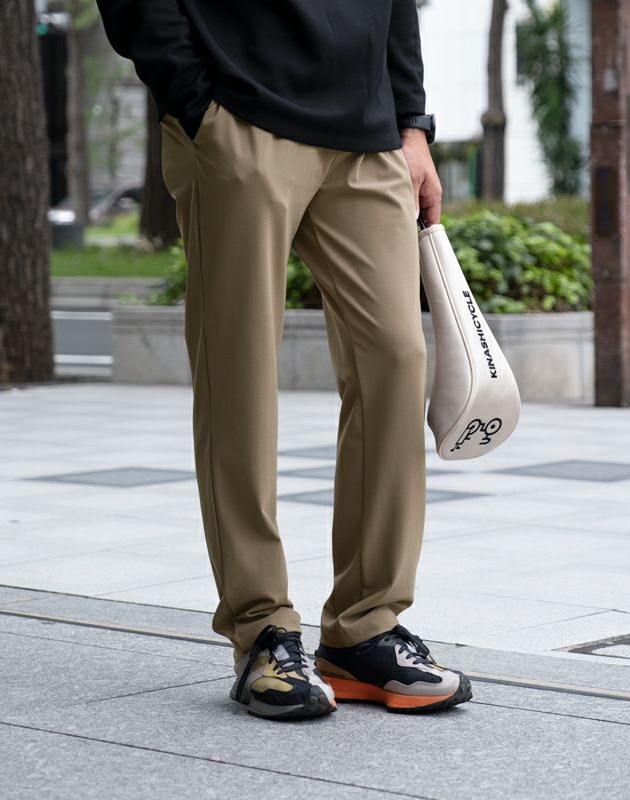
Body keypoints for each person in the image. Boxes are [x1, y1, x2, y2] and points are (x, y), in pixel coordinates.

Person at [96, 0, 472, 720]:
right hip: (238, 116)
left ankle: (365, 629)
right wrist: (197, 103)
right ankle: (262, 628)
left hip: (366, 133)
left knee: (396, 361)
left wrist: (412, 122)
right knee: (239, 375)